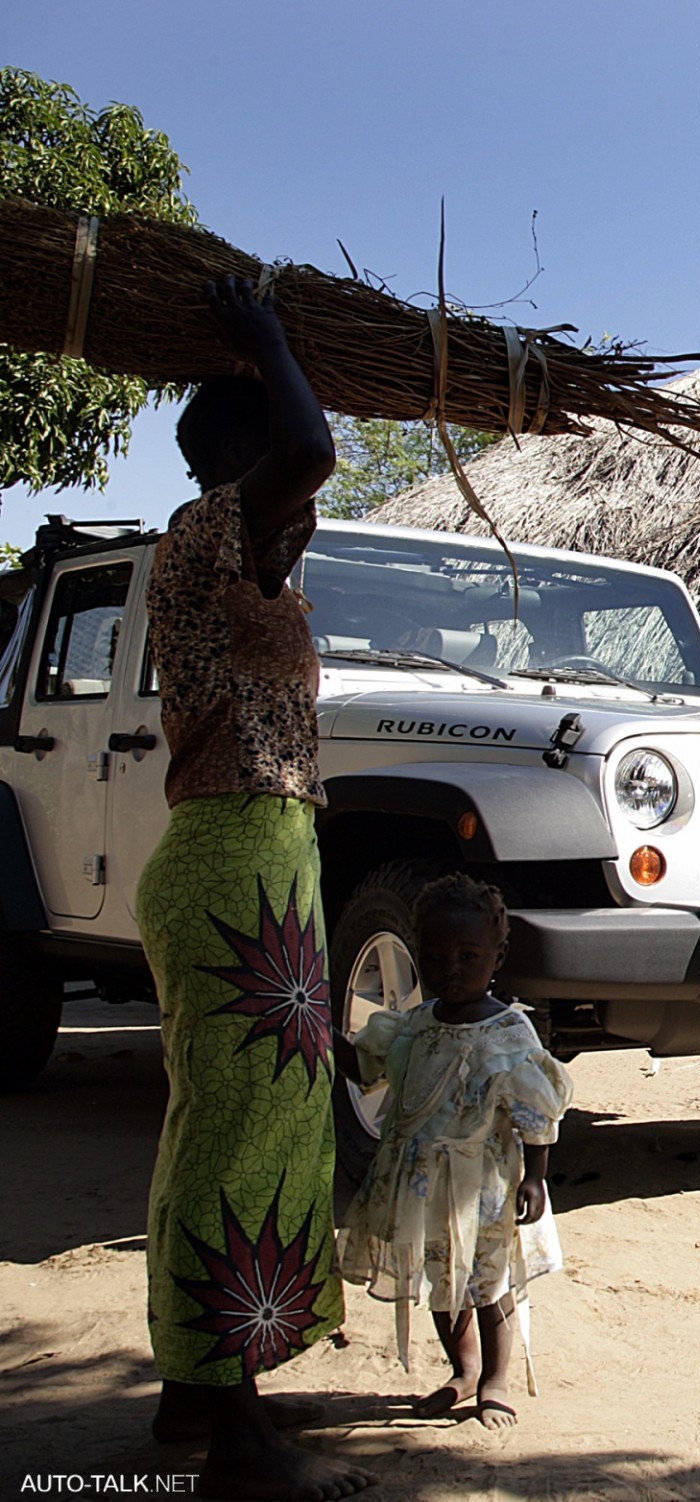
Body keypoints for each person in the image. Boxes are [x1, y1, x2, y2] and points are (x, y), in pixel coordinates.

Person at [135, 279, 373, 1498]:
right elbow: (315, 449)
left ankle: (193, 1388)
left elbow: (305, 473)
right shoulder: (209, 529)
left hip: (247, 848)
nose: (305, 513)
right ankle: (233, 1428)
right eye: (281, 484)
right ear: (239, 463)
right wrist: (267, 337)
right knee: (244, 1135)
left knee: (222, 1124)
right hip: (237, 850)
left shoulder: (240, 557)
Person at [335, 875, 571, 1430]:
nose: (452, 968)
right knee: (441, 1282)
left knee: (487, 1287)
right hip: (418, 1187)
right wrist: (318, 1035)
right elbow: (364, 1070)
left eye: (469, 955)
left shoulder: (510, 1032)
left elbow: (537, 1115)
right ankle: (462, 1371)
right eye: (436, 956)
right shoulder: (412, 1025)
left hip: (481, 1189)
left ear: (498, 956)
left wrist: (535, 1179)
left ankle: (495, 1380)